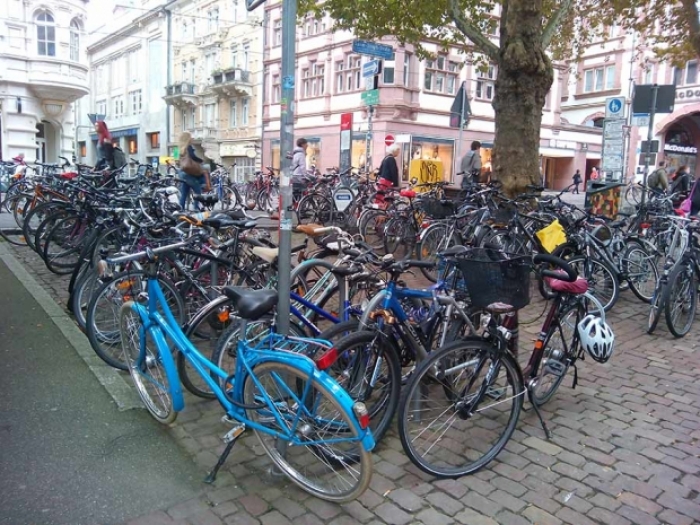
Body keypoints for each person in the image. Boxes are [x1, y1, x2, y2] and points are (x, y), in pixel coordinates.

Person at [178, 132, 208, 210]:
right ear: (188, 138)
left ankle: (181, 209)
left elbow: (177, 161)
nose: (192, 138)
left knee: (184, 193)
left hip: (182, 173)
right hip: (189, 173)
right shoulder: (188, 147)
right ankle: (196, 208)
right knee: (197, 190)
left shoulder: (178, 148)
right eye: (190, 137)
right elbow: (192, 156)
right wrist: (200, 160)